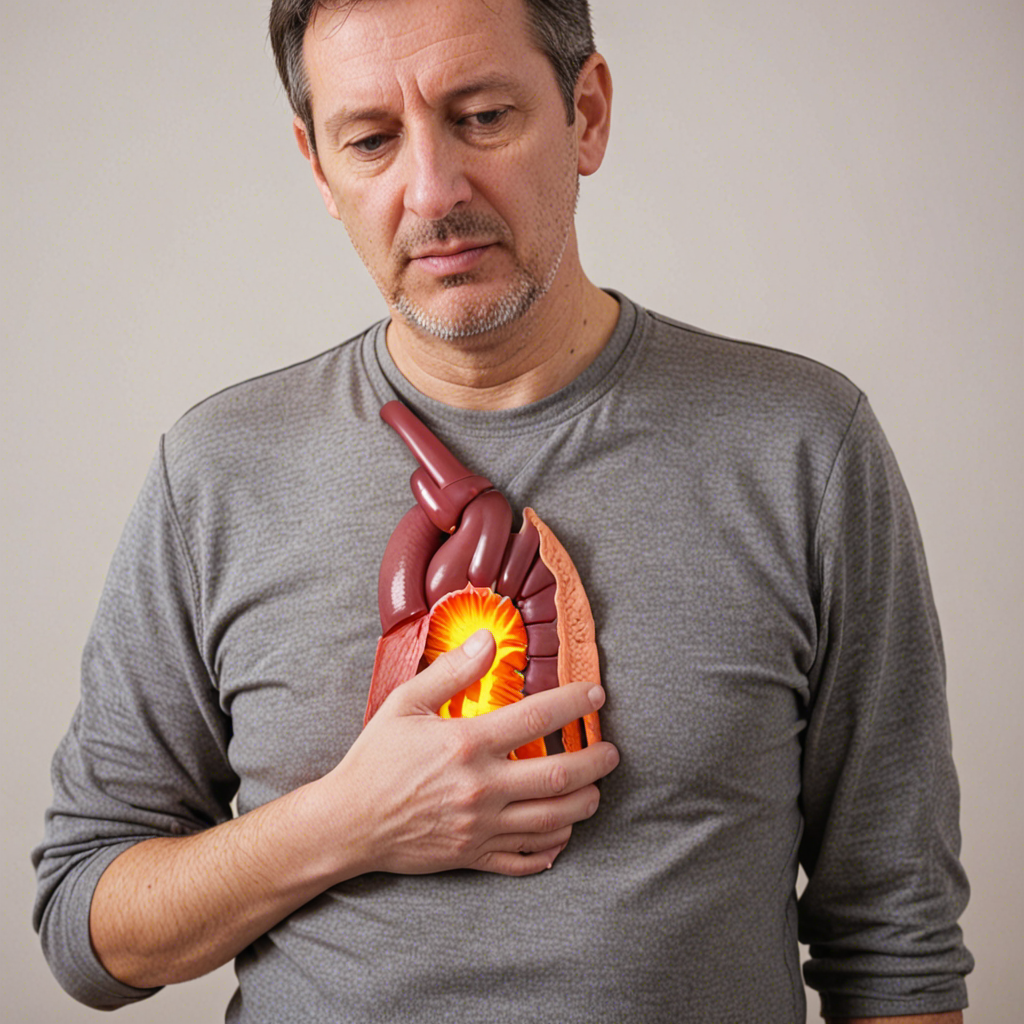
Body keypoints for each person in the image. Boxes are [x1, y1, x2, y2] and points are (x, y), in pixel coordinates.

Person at [33, 0, 972, 1020]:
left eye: (481, 116)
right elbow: (86, 933)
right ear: (318, 167)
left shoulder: (804, 446)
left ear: (587, 113)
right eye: (372, 140)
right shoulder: (215, 471)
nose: (432, 191)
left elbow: (894, 930)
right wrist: (344, 823)